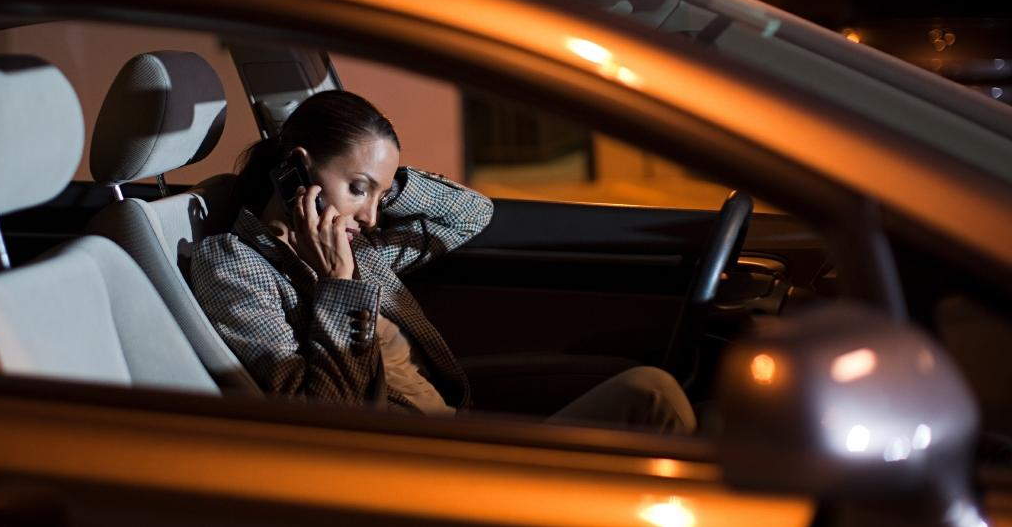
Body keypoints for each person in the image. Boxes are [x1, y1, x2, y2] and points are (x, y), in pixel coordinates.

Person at [190, 90, 695, 433]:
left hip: (456, 432)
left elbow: (471, 215)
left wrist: (387, 183)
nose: (369, 216)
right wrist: (337, 287)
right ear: (296, 170)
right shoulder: (236, 267)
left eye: (378, 198)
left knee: (652, 390)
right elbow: (319, 425)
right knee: (651, 397)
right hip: (408, 470)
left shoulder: (357, 244)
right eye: (357, 188)